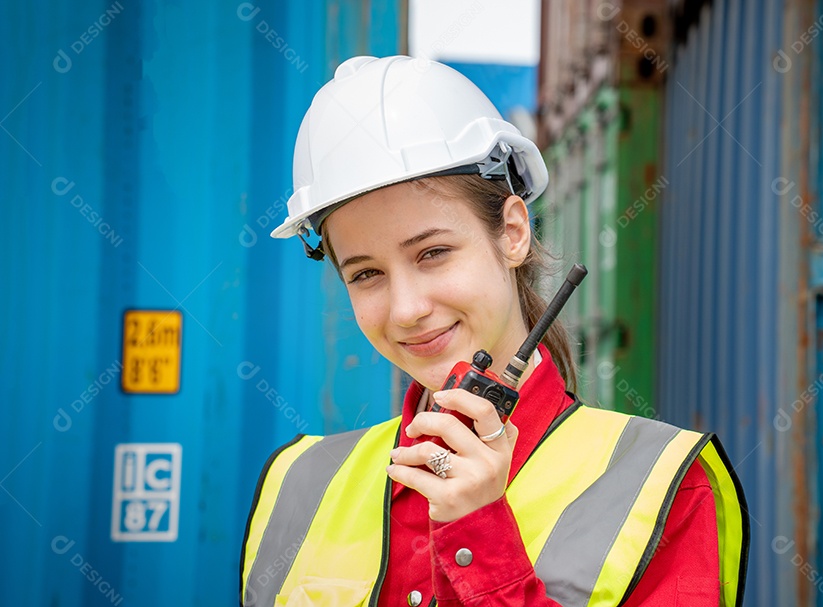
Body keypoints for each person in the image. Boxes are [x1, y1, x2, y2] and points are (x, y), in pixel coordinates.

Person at [241, 55, 748, 607]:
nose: (407, 309)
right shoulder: (296, 485)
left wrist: (480, 540)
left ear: (512, 232)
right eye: (366, 274)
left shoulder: (663, 487)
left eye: (432, 253)